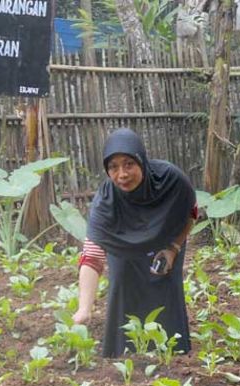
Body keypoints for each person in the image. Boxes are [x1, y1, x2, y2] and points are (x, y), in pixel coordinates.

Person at [72, 128, 197, 358]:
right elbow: (92, 253)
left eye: (129, 164)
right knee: (121, 283)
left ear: (142, 160)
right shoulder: (106, 200)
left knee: (165, 286)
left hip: (165, 241)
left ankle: (170, 353)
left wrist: (173, 248)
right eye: (113, 167)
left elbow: (190, 212)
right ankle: (125, 354)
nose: (122, 174)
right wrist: (84, 309)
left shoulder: (171, 179)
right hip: (123, 246)